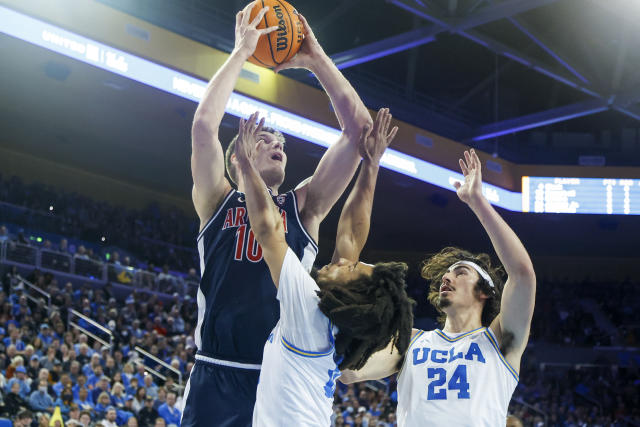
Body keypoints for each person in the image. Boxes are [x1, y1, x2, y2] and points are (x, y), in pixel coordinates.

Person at [182, 3, 372, 426]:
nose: (276, 143)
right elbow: (202, 128)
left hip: (282, 374)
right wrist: (241, 52)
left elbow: (359, 133)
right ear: (237, 160)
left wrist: (316, 57)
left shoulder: (303, 206)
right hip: (217, 369)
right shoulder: (217, 199)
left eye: (280, 141)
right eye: (264, 138)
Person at [234, 110, 414, 425]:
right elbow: (351, 236)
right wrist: (370, 166)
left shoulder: (306, 308)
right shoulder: (334, 323)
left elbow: (268, 230)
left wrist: (246, 165)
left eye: (352, 269)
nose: (344, 261)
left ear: (350, 294)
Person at [340, 149, 537, 427]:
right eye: (445, 275)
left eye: (460, 272)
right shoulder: (411, 341)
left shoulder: (500, 339)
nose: (447, 278)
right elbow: (352, 372)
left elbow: (522, 274)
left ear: (485, 292)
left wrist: (478, 203)